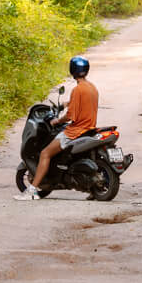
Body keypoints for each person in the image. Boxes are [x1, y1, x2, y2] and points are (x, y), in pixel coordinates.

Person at [26, 55, 98, 198]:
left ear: (72, 70)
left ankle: (32, 191)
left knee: (45, 153)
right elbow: (80, 103)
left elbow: (70, 116)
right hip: (89, 128)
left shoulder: (77, 90)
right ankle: (90, 189)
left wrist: (57, 121)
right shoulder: (91, 87)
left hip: (76, 130)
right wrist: (66, 104)